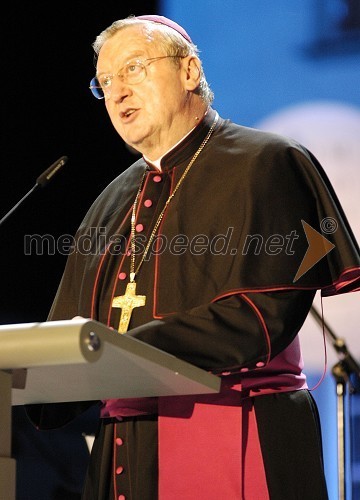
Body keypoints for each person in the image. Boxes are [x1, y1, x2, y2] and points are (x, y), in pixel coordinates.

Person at [26, 14, 360, 500]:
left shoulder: (268, 161)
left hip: (233, 423)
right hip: (127, 447)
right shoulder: (109, 201)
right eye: (104, 83)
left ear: (188, 71)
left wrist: (124, 351)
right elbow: (65, 340)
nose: (116, 92)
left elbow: (260, 318)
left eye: (133, 69)